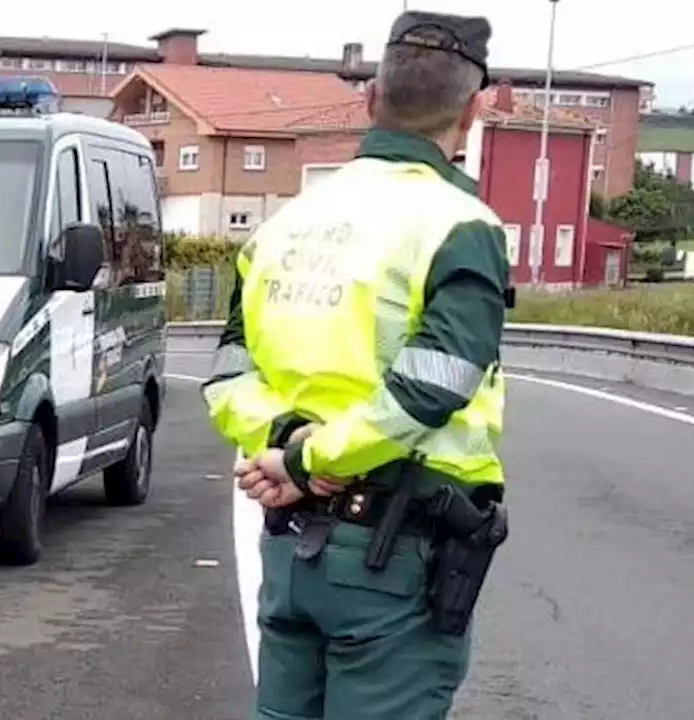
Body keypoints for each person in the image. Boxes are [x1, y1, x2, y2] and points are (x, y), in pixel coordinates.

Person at [201, 9, 511, 720]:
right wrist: (314, 458)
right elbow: (437, 383)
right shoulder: (458, 226)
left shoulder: (287, 223)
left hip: (293, 555)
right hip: (394, 554)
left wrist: (280, 444)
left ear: (371, 99)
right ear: (473, 111)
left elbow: (225, 372)